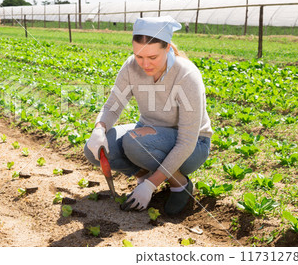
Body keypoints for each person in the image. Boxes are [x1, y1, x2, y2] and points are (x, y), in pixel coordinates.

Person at [84, 16, 213, 215]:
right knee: (96, 149)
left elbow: (187, 140)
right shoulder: (131, 67)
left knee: (134, 142)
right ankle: (143, 174)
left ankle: (179, 184)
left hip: (193, 146)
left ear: (168, 48)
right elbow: (113, 105)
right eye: (139, 56)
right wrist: (99, 128)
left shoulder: (186, 75)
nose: (145, 64)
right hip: (148, 137)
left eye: (153, 58)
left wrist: (151, 186)